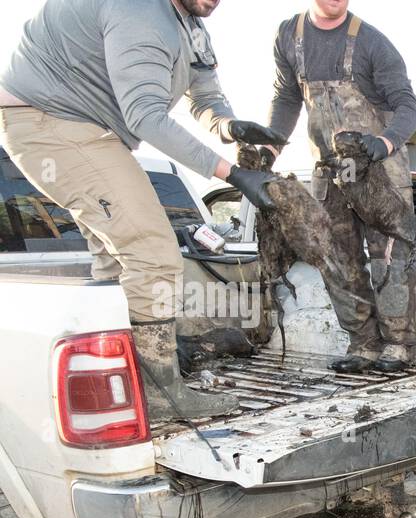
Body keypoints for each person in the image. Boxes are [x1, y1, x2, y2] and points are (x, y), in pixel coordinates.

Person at [0, 0, 282, 423]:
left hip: (92, 130)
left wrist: (229, 126)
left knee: (116, 259)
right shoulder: (139, 11)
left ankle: (125, 380)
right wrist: (232, 173)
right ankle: (161, 393)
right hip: (52, 121)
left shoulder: (190, 24)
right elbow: (146, 115)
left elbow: (206, 95)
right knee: (153, 251)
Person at [267, 0, 416, 372]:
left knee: (390, 258)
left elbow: (408, 106)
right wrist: (268, 149)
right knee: (337, 259)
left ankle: (399, 346)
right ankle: (364, 344)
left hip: (379, 171)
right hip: (331, 171)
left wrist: (383, 142)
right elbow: (287, 99)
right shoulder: (290, 36)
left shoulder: (373, 43)